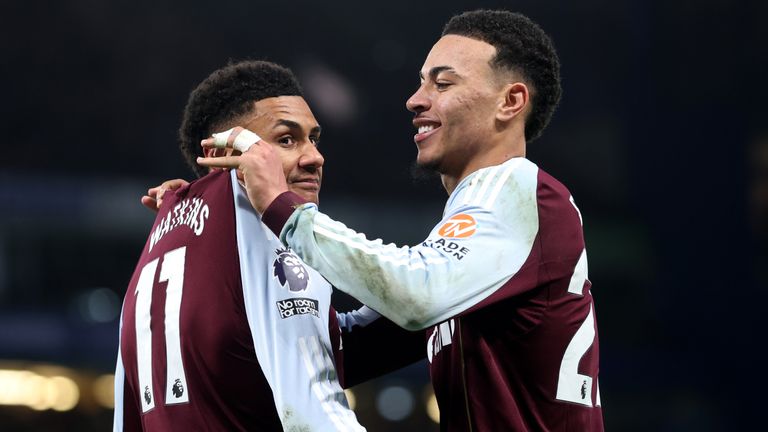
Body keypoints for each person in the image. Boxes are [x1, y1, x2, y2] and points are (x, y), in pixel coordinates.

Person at [199, 10, 604, 431]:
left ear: (510, 102)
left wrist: (281, 207)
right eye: (422, 81)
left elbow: (414, 293)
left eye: (442, 83)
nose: (415, 99)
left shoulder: (518, 186)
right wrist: (210, 215)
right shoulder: (477, 254)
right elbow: (339, 352)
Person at [114, 60, 424, 431]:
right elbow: (313, 413)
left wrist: (440, 305)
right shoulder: (259, 224)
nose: (315, 157)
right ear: (220, 155)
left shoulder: (161, 241)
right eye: (286, 140)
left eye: (314, 139)